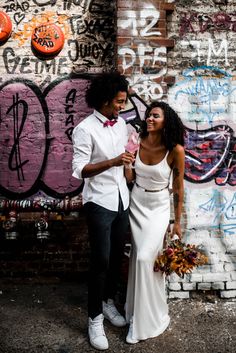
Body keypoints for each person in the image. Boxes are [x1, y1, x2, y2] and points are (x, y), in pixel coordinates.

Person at [71, 72, 134, 351]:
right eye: (120, 101)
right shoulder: (85, 129)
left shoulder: (121, 125)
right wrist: (113, 162)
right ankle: (94, 318)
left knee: (117, 256)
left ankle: (108, 303)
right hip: (99, 202)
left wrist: (129, 165)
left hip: (122, 200)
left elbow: (126, 161)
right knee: (100, 262)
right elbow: (80, 170)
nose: (122, 106)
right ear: (106, 100)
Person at [124, 101, 185, 344]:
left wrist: (177, 222)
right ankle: (135, 313)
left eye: (155, 116)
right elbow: (130, 177)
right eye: (149, 115)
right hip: (136, 202)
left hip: (158, 207)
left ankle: (147, 321)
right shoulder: (136, 140)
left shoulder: (175, 150)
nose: (149, 119)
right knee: (138, 258)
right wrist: (128, 163)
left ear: (165, 121)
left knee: (145, 259)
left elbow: (179, 188)